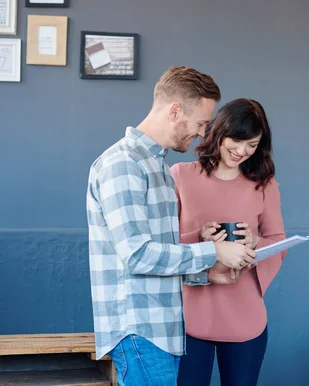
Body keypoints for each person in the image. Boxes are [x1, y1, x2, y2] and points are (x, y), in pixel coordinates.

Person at [85, 67, 256, 386]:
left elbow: (158, 256)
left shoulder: (159, 169)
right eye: (201, 123)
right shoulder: (124, 164)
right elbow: (136, 255)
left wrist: (206, 273)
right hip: (140, 332)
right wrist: (213, 250)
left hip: (161, 332)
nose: (204, 134)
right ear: (175, 111)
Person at [171, 98, 287, 386]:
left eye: (252, 144)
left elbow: (278, 241)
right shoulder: (181, 177)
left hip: (245, 317)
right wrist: (199, 239)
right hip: (188, 316)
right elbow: (163, 246)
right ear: (219, 133)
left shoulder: (265, 184)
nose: (242, 151)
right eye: (236, 140)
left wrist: (255, 242)